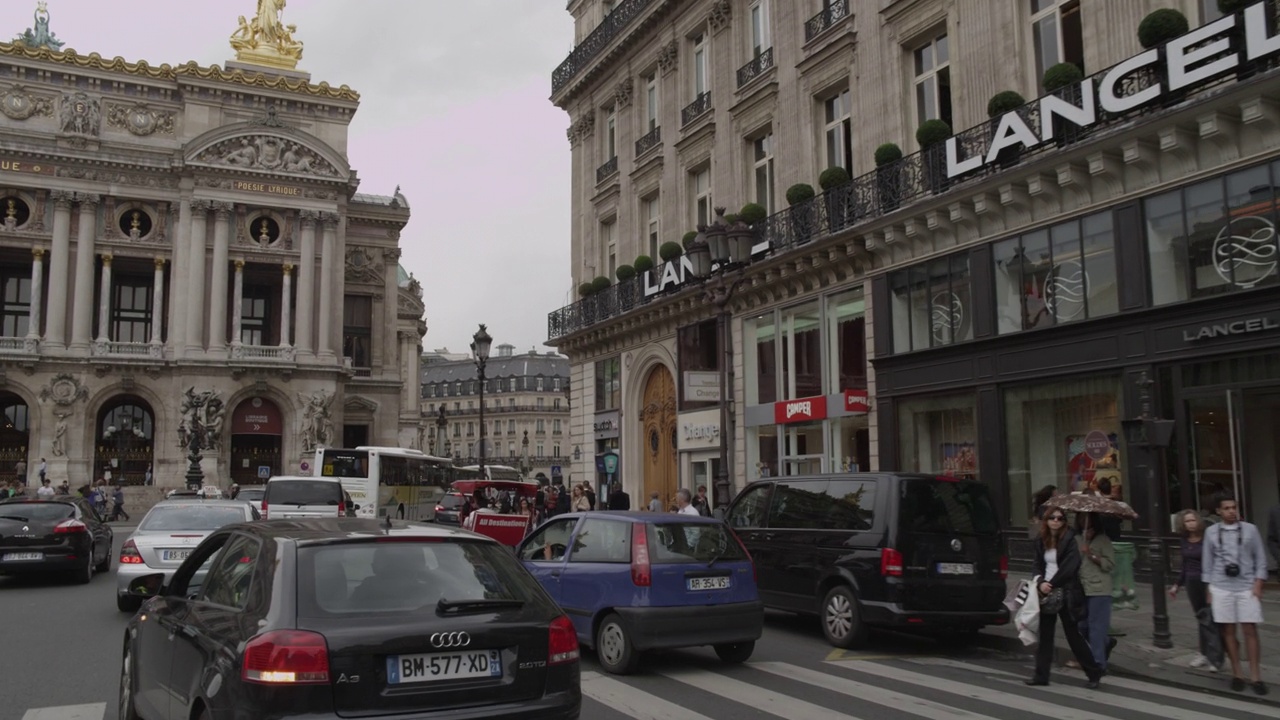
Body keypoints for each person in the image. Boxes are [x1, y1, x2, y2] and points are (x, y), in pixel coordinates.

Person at [1026, 508, 1103, 689]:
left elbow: (1070, 567)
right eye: (1052, 518)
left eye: (1060, 518)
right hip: (1046, 592)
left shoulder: (1069, 539)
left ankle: (1094, 672)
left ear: (1064, 522)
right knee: (1045, 636)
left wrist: (1050, 584)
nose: (1056, 521)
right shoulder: (1041, 540)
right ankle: (1041, 676)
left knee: (1073, 636)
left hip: (1066, 592)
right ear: (1046, 520)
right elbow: (1037, 564)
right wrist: (1040, 582)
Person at [1202, 493, 1269, 695]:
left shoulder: (1250, 530)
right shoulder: (1212, 532)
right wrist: (1209, 589)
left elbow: (1260, 558)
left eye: (1234, 507)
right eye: (1227, 508)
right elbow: (1208, 562)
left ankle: (1256, 675)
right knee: (1228, 631)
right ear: (1219, 511)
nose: (1232, 511)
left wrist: (1258, 584)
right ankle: (1237, 673)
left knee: (1250, 629)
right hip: (1221, 586)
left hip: (1247, 585)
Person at [1170, 508, 1223, 672]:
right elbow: (1184, 565)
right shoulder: (1184, 540)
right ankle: (1203, 653)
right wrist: (1177, 585)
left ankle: (1216, 657)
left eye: (1193, 520)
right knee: (1201, 617)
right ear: (1183, 524)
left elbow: (1215, 561)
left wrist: (1213, 584)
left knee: (1211, 618)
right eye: (1187, 521)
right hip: (1191, 581)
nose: (1191, 524)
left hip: (1207, 581)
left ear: (1198, 521)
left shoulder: (1207, 538)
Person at [1076, 513, 1116, 674]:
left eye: (1089, 522)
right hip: (1081, 587)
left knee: (1096, 628)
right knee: (1081, 626)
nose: (1086, 524)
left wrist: (1091, 555)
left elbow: (1110, 564)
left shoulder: (1103, 540)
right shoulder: (1076, 539)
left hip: (1099, 589)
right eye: (1081, 519)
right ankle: (1105, 643)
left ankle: (1098, 665)